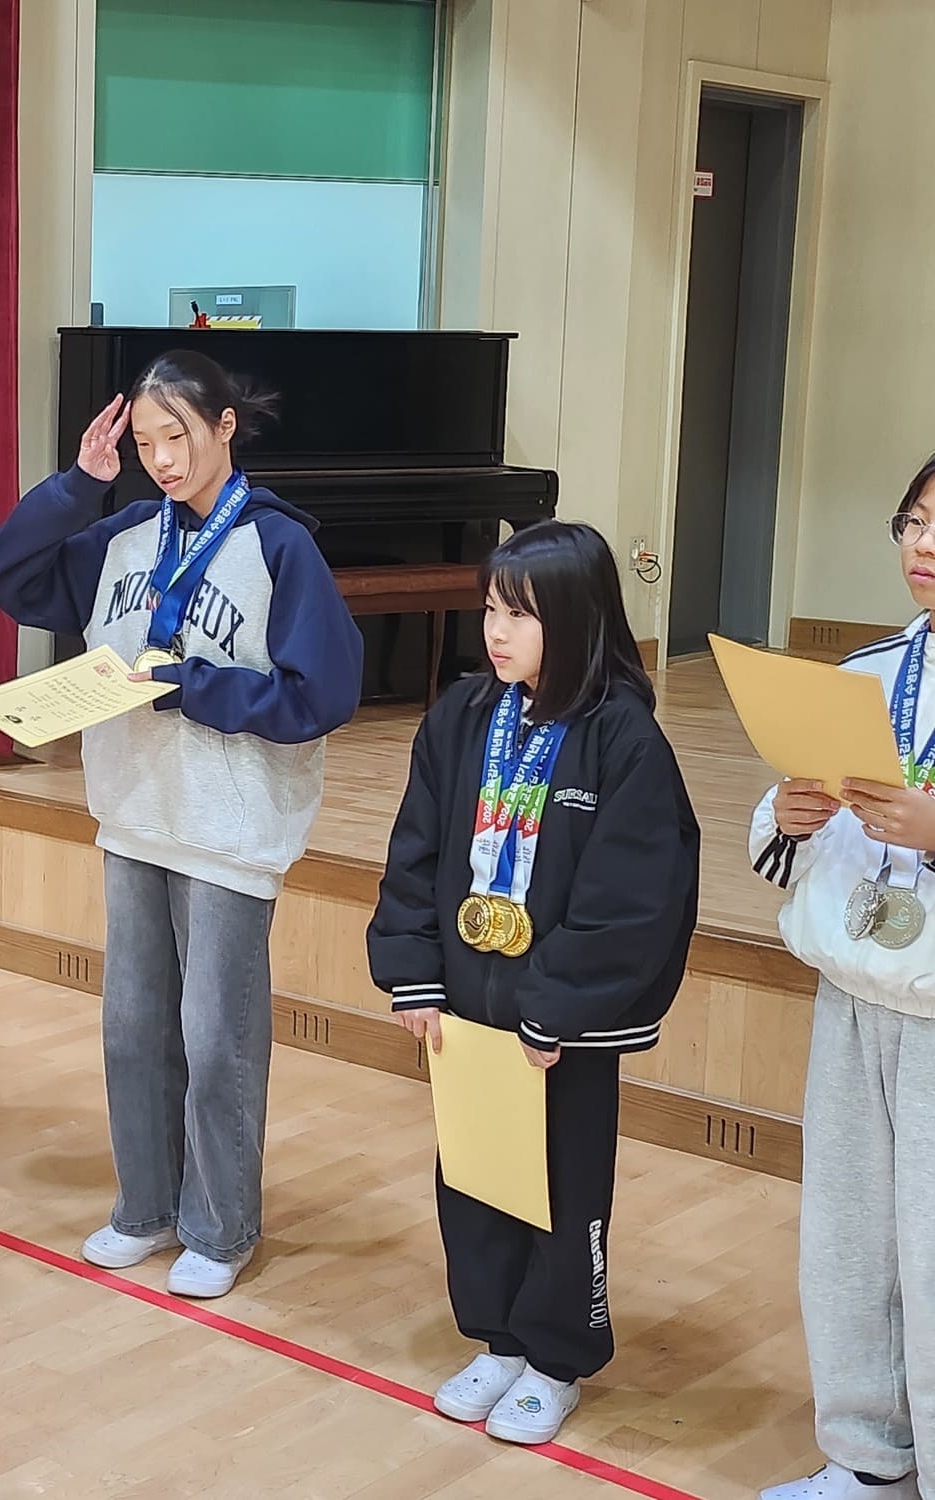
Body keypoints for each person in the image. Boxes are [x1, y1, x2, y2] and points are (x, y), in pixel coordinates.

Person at [0, 351, 363, 1299]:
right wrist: (81, 481)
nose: (160, 459)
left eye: (177, 437)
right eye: (145, 441)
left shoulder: (278, 545)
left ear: (225, 427)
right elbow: (12, 577)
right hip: (134, 814)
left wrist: (189, 685)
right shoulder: (123, 534)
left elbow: (324, 692)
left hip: (230, 830)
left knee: (215, 1036)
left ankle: (221, 1226)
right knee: (132, 1030)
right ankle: (145, 1208)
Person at [367, 521, 699, 1447]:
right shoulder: (463, 716)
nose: (495, 631)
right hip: (468, 1009)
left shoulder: (624, 738)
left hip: (560, 1025)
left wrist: (556, 1005)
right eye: (489, 609)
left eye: (519, 614)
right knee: (472, 1176)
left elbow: (632, 897)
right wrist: (414, 973)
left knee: (562, 1185)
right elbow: (416, 852)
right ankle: (499, 1338)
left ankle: (556, 1356)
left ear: (579, 618)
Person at [751, 457, 935, 1500]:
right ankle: (867, 1459)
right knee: (845, 1243)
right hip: (850, 991)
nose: (920, 546)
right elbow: (789, 818)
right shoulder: (863, 671)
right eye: (909, 522)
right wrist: (781, 816)